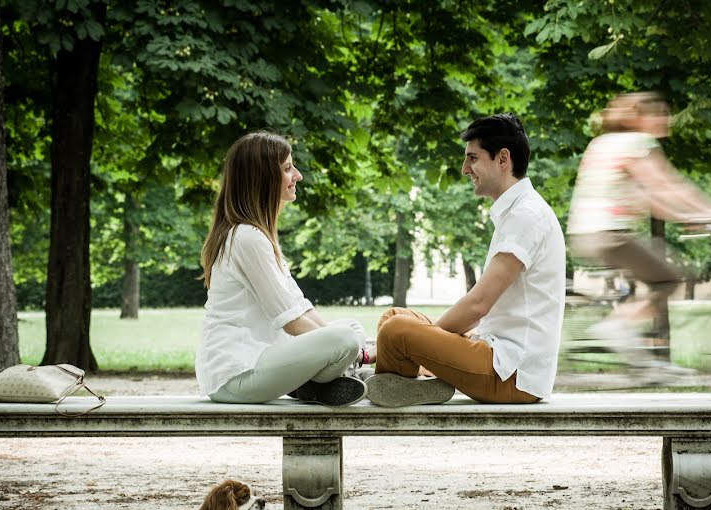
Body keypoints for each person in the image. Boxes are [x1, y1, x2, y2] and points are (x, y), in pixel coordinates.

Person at [363, 114, 566, 407]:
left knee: (396, 332)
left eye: (472, 158)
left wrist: (422, 338)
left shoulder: (526, 216)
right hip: (494, 352)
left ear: (503, 159)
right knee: (394, 318)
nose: (464, 169)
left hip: (511, 374)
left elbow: (478, 305)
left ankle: (396, 382)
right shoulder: (519, 211)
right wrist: (427, 338)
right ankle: (413, 384)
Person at [567, 92, 711, 365]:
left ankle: (640, 361)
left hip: (585, 235)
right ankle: (615, 327)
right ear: (639, 117)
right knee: (668, 280)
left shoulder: (602, 142)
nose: (667, 118)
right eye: (660, 113)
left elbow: (651, 200)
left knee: (650, 280)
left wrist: (689, 216)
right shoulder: (638, 142)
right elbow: (668, 186)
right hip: (610, 235)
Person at [196, 131, 368, 406]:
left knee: (351, 327)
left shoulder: (258, 235)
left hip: (262, 360)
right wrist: (360, 353)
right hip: (237, 374)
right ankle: (340, 376)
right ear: (263, 178)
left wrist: (354, 345)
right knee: (345, 339)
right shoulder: (247, 238)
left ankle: (320, 382)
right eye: (288, 168)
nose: (297, 175)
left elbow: (300, 306)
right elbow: (293, 322)